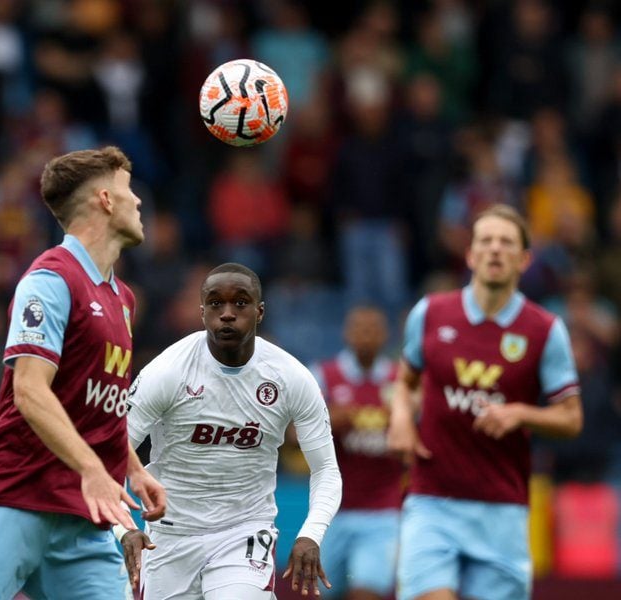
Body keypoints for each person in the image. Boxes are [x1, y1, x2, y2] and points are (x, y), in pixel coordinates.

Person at [0, 146, 166, 600]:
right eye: (127, 190)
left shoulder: (123, 298)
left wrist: (132, 469)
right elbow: (30, 391)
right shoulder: (50, 281)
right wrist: (93, 468)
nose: (138, 202)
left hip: (81, 515)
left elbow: (97, 402)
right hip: (13, 495)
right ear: (104, 199)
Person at [387, 203, 583, 600]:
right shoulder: (430, 313)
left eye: (507, 242)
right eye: (486, 241)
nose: (496, 249)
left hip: (502, 509)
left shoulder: (545, 330)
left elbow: (571, 418)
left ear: (524, 260)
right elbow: (406, 382)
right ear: (471, 255)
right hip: (432, 501)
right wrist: (401, 417)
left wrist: (521, 413)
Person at [120, 262, 342, 599]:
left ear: (260, 312)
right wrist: (124, 528)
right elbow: (110, 454)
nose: (227, 313)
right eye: (215, 304)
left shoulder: (290, 377)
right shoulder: (167, 371)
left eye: (240, 303)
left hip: (245, 531)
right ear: (202, 312)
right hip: (168, 536)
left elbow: (326, 468)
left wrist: (310, 534)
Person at [310, 306, 406, 600]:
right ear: (346, 334)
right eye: (359, 329)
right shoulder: (323, 376)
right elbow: (289, 436)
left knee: (366, 592)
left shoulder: (400, 380)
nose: (366, 337)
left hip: (383, 513)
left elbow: (423, 438)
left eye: (373, 329)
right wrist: (325, 423)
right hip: (330, 512)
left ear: (385, 335)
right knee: (326, 593)